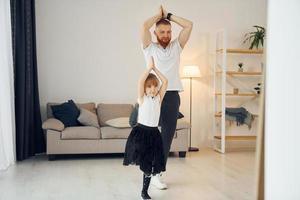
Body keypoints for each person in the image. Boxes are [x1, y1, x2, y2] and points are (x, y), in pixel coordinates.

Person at [141, 5, 193, 189]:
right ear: (155, 33)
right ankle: (148, 170)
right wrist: (158, 16)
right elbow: (143, 27)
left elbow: (189, 25)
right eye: (162, 32)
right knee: (150, 134)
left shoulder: (177, 47)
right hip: (153, 96)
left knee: (167, 136)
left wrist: (169, 16)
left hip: (171, 97)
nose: (166, 35)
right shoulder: (149, 48)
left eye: (168, 31)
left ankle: (157, 173)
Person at [123, 56, 168, 200]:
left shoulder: (159, 99)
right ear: (144, 89)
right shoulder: (142, 99)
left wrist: (155, 69)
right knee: (144, 160)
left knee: (151, 164)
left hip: (154, 134)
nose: (153, 89)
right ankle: (144, 186)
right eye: (149, 86)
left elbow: (165, 82)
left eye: (155, 86)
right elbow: (140, 81)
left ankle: (144, 191)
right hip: (141, 133)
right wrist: (148, 68)